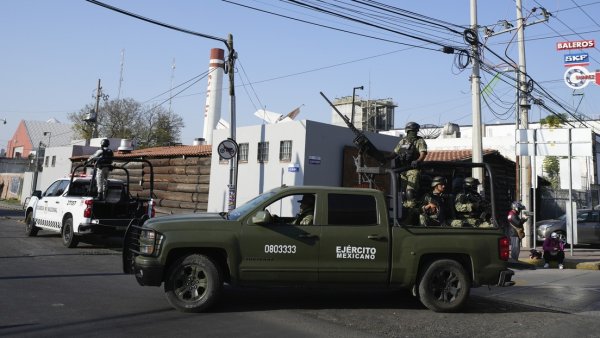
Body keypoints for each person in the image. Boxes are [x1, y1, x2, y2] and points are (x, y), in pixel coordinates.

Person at [391, 122, 427, 208]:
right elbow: (395, 153)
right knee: (403, 193)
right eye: (411, 131)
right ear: (407, 131)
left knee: (410, 192)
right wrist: (385, 158)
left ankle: (412, 208)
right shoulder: (403, 141)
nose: (413, 133)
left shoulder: (419, 141)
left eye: (414, 131)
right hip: (403, 170)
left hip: (413, 170)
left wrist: (417, 161)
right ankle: (405, 208)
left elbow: (423, 153)